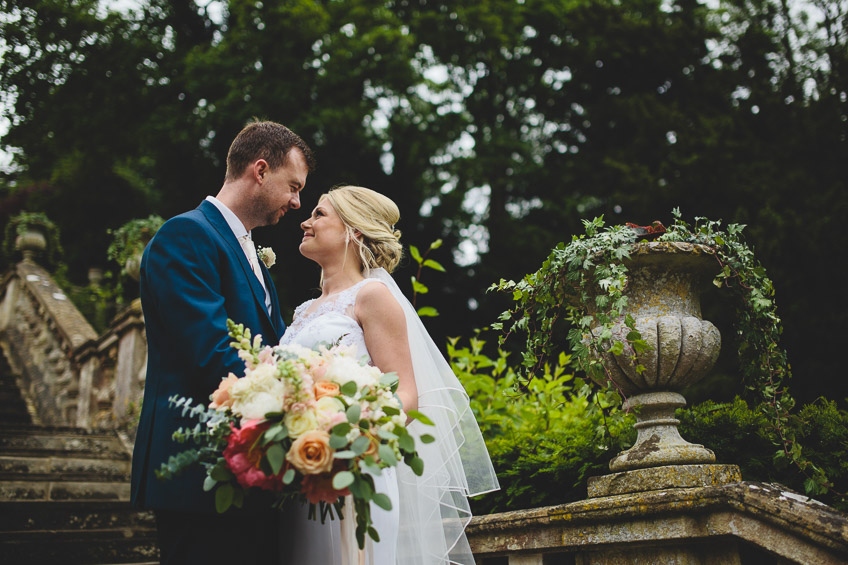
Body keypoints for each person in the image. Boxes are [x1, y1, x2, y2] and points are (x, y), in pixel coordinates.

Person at [279, 185, 499, 564]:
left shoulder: (372, 296)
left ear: (355, 231)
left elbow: (407, 395)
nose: (306, 220)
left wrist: (349, 436)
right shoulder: (302, 312)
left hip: (352, 470)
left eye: (319, 214)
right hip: (301, 472)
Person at [130, 120, 315, 564]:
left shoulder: (253, 253)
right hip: (199, 472)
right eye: (293, 186)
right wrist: (303, 404)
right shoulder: (186, 235)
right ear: (260, 169)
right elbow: (212, 353)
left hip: (250, 471)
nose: (297, 201)